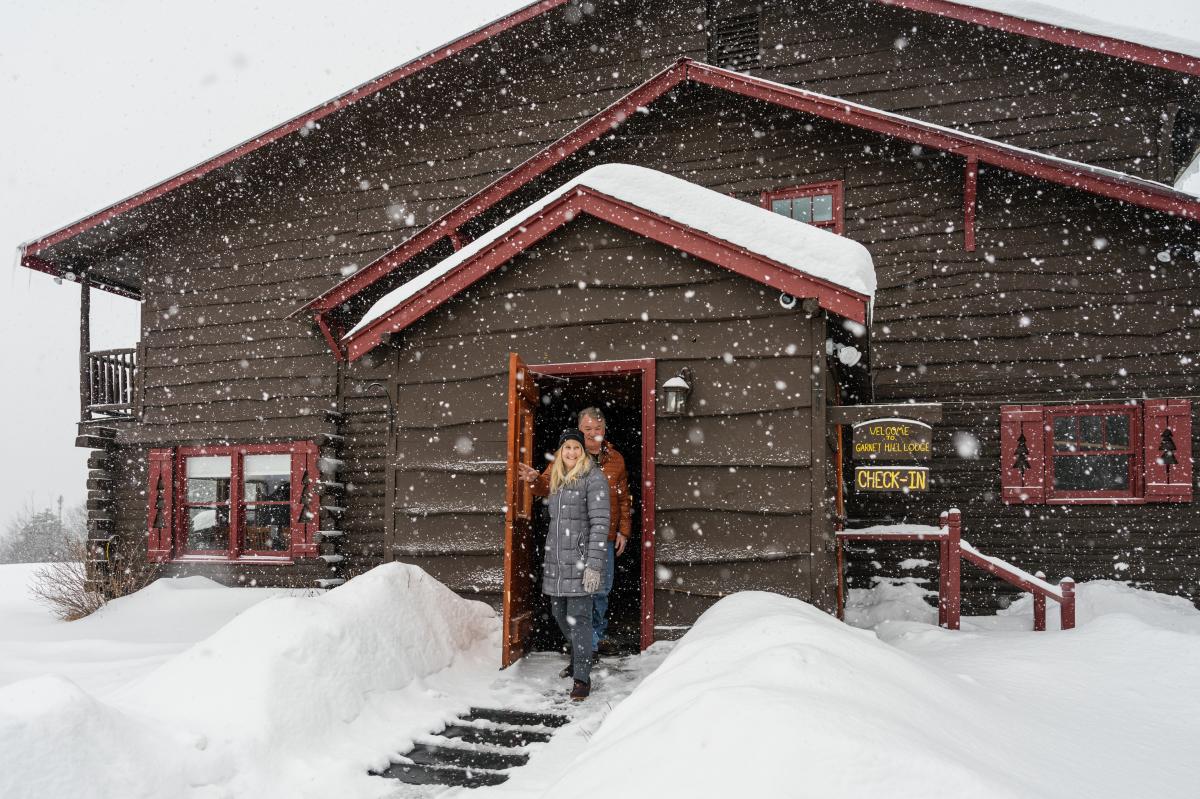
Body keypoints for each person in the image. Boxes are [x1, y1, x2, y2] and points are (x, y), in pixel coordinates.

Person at [520, 407, 632, 656]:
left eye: (598, 429)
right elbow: (547, 486)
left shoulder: (616, 460)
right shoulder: (568, 456)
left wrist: (624, 529)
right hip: (574, 540)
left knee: (601, 592)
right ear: (579, 432)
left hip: (605, 537)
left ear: (605, 430)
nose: (594, 434)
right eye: (588, 429)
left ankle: (591, 642)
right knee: (571, 599)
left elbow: (624, 498)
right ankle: (584, 648)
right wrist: (534, 479)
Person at [539, 429, 610, 701]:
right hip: (557, 562)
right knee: (559, 615)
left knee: (580, 620)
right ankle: (580, 656)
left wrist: (593, 564)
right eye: (566, 447)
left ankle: (581, 677)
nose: (571, 452)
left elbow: (600, 524)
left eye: (575, 448)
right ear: (560, 451)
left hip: (580, 562)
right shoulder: (557, 478)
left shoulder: (594, 478)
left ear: (583, 451)